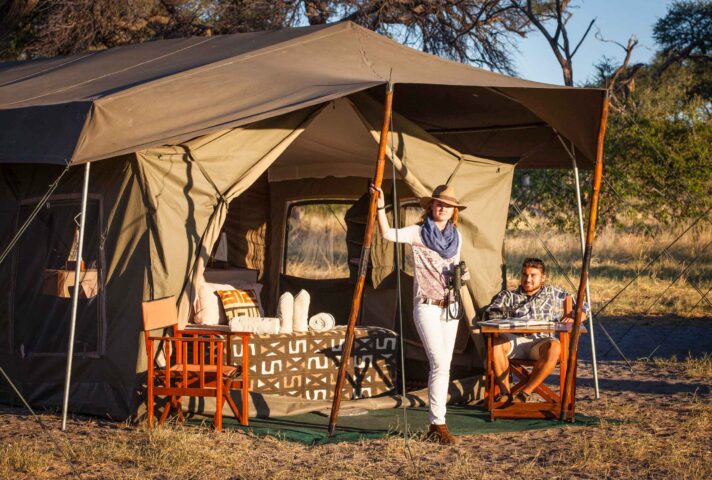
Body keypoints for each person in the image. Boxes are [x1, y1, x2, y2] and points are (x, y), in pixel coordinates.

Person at [372, 183, 469, 445]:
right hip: (425, 304)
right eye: (438, 204)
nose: (443, 208)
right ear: (429, 207)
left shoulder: (455, 237)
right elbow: (387, 234)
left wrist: (463, 276)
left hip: (449, 305)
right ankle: (438, 424)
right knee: (438, 362)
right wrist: (381, 206)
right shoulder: (418, 232)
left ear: (453, 211)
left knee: (444, 366)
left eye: (448, 205)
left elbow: (456, 266)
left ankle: (436, 425)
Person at [484, 258, 584, 403]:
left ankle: (525, 393)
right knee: (496, 344)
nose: (527, 279)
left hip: (541, 341)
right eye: (524, 275)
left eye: (533, 275)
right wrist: (499, 315)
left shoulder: (555, 293)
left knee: (556, 347)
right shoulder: (509, 296)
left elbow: (584, 307)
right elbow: (491, 313)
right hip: (515, 340)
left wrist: (574, 317)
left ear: (543, 277)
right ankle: (505, 393)